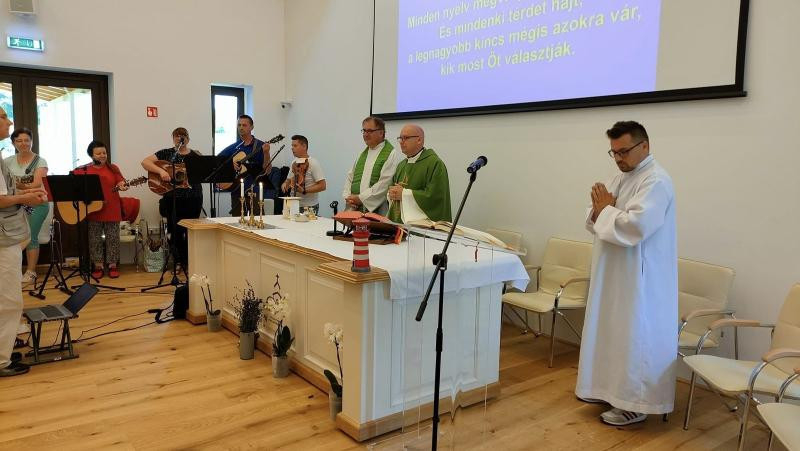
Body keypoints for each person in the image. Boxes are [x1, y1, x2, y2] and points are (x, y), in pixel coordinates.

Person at [575, 121, 678, 426]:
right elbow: (597, 213)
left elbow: (636, 226)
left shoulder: (656, 181)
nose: (618, 158)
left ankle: (636, 403)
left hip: (640, 277)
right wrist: (601, 210)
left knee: (635, 336)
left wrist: (606, 210)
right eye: (614, 152)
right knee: (611, 332)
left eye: (624, 151)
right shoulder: (621, 177)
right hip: (613, 272)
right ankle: (608, 390)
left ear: (644, 146)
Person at [0, 107, 48, 377]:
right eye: (3, 116)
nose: (9, 121)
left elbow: (11, 188)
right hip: (3, 237)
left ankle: (4, 350)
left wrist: (23, 192)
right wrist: (25, 198)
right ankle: (1, 360)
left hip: (8, 232)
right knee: (9, 300)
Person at [141, 127, 203, 270]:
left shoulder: (196, 155)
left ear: (188, 138)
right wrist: (161, 171)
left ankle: (189, 261)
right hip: (172, 198)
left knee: (190, 229)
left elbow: (202, 172)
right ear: (173, 138)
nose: (180, 138)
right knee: (174, 230)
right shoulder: (166, 153)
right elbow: (145, 162)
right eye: (177, 136)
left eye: (183, 135)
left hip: (193, 197)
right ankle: (178, 261)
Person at [3, 128, 49, 286]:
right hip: (15, 204)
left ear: (32, 141)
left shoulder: (40, 161)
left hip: (37, 203)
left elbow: (36, 184)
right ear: (13, 143)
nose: (23, 143)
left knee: (30, 236)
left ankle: (31, 272)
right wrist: (19, 188)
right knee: (13, 237)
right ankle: (11, 271)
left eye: (27, 140)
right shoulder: (7, 161)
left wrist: (16, 184)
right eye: (19, 140)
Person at [79, 141, 128, 279]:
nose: (102, 155)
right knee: (94, 239)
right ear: (91, 155)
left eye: (104, 153)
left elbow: (120, 181)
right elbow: (75, 185)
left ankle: (112, 265)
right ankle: (98, 266)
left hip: (112, 208)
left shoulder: (113, 168)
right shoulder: (84, 170)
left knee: (113, 238)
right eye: (98, 153)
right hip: (92, 210)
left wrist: (122, 185)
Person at [387, 125, 451, 223]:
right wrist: (391, 194)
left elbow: (435, 198)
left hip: (423, 227)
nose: (401, 142)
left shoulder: (434, 163)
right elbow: (394, 190)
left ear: (419, 140)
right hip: (399, 224)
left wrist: (403, 194)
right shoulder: (401, 165)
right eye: (400, 138)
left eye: (406, 138)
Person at [342, 116, 403, 216]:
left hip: (377, 210)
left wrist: (361, 199)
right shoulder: (362, 154)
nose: (365, 134)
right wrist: (348, 197)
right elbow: (350, 177)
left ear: (381, 133)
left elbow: (385, 184)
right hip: (354, 208)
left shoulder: (391, 153)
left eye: (370, 131)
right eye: (364, 131)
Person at [217, 115, 272, 215]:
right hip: (237, 191)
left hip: (254, 192)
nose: (241, 127)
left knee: (257, 219)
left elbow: (267, 171)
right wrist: (230, 165)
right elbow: (217, 161)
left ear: (251, 127)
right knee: (237, 220)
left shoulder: (260, 146)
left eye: (244, 125)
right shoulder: (234, 147)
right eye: (239, 125)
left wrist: (266, 153)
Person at [280, 135, 326, 212]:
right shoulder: (294, 162)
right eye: (292, 146)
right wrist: (285, 184)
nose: (292, 148)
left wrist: (304, 190)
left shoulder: (313, 163)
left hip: (308, 207)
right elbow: (288, 180)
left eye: (295, 146)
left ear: (304, 146)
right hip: (292, 204)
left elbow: (322, 186)